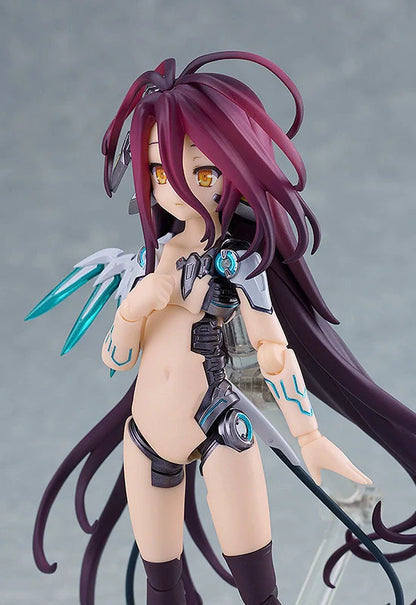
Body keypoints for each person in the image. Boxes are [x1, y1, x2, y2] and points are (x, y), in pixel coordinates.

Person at [29, 52, 416, 605]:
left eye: (203, 171)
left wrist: (308, 435)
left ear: (234, 169)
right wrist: (135, 308)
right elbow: (116, 360)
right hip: (145, 437)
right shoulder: (146, 261)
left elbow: (273, 348)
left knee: (259, 593)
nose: (175, 187)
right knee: (161, 588)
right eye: (159, 171)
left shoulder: (236, 262)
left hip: (218, 429)